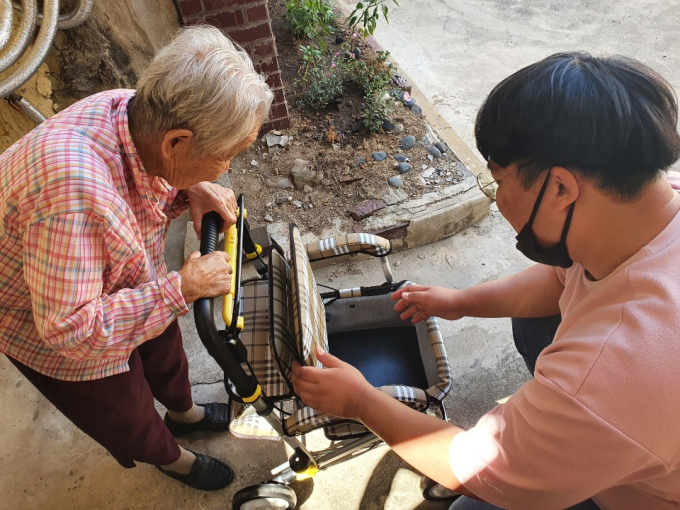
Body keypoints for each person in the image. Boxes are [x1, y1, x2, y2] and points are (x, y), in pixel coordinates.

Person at [291, 52, 680, 509]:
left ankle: (554, 451)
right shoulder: (651, 208)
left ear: (560, 189)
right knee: (531, 322)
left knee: (470, 505)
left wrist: (360, 401)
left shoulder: (616, 367)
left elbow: (468, 465)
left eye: (497, 181)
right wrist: (459, 302)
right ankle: (555, 440)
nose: (496, 199)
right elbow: (562, 281)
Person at [0, 26, 272, 491]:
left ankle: (183, 414)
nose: (227, 168)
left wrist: (192, 184)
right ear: (177, 143)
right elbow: (71, 331)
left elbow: (159, 166)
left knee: (164, 347)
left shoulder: (135, 107)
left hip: (115, 271)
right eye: (227, 156)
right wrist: (181, 289)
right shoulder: (70, 190)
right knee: (121, 405)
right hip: (52, 317)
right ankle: (171, 458)